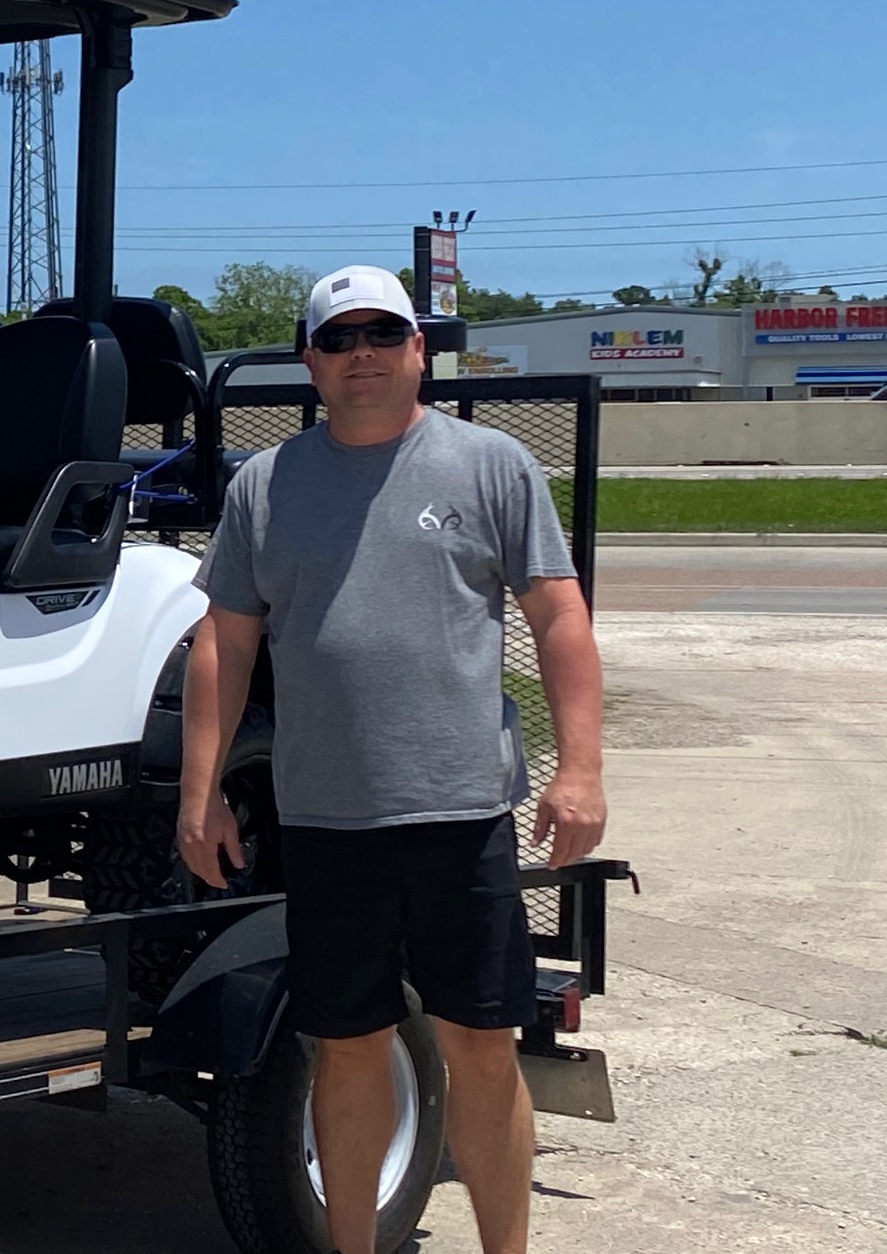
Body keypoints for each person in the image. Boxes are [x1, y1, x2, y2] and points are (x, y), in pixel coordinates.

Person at [178, 264, 605, 1254]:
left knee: (480, 1050)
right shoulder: (266, 487)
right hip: (329, 822)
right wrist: (201, 795)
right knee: (346, 1050)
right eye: (339, 338)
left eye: (383, 333)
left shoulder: (492, 466)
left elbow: (559, 616)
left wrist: (579, 769)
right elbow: (225, 642)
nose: (361, 353)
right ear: (310, 362)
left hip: (459, 816)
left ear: (419, 350)